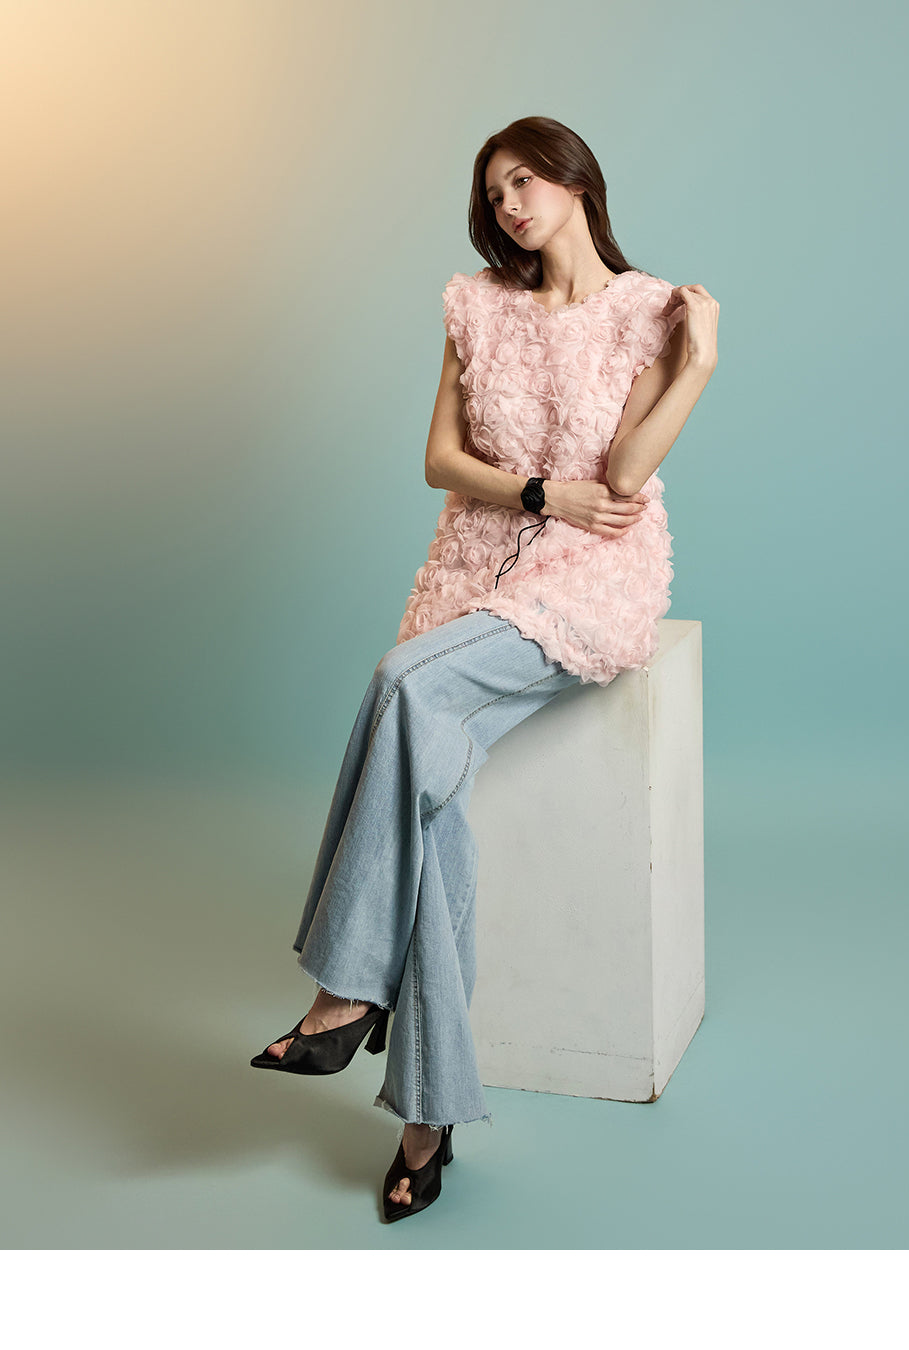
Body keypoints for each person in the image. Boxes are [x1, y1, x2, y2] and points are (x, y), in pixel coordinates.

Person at [249, 115, 719, 1223]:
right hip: (472, 565)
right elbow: (440, 460)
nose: (508, 205)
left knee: (401, 681)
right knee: (432, 805)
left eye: (524, 181)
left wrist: (697, 362)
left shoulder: (649, 312)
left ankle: (344, 993)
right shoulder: (478, 306)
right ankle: (428, 1120)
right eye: (493, 192)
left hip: (586, 578)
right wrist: (538, 491)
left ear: (575, 180)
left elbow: (624, 474)